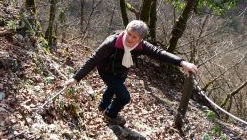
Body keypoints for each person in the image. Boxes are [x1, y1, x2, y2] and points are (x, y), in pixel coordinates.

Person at [64, 20, 198, 126]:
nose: (130, 38)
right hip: (106, 71)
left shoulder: (141, 46)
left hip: (122, 72)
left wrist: (182, 63)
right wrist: (76, 78)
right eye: (129, 34)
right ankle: (110, 114)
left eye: (134, 37)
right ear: (125, 31)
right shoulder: (112, 43)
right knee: (124, 97)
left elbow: (160, 53)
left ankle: (103, 106)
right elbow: (93, 59)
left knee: (112, 89)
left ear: (140, 39)